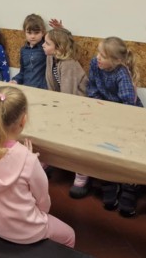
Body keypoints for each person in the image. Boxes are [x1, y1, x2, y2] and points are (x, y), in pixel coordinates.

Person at [0, 85, 75, 248]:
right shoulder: (29, 161)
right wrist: (26, 157)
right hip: (27, 232)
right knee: (69, 235)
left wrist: (23, 156)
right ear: (23, 120)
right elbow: (44, 204)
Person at [84, 37, 143, 216]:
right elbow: (92, 87)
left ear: (116, 60)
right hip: (104, 114)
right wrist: (101, 107)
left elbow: (128, 105)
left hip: (126, 119)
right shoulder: (95, 64)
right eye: (98, 52)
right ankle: (109, 182)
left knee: (126, 155)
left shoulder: (122, 74)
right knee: (105, 150)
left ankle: (129, 188)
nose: (98, 57)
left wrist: (112, 115)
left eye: (103, 56)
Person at [42, 27, 89, 198]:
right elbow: (52, 85)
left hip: (80, 106)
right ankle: (49, 160)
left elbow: (69, 95)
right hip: (62, 102)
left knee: (77, 139)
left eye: (47, 43)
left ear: (59, 48)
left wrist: (59, 111)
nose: (43, 45)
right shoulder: (51, 58)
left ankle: (82, 173)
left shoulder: (69, 64)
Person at [10, 14, 47, 89]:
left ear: (43, 32)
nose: (32, 36)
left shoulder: (46, 49)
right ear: (24, 32)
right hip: (26, 87)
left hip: (42, 89)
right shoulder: (23, 50)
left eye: (36, 33)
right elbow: (22, 72)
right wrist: (15, 80)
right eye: (29, 33)